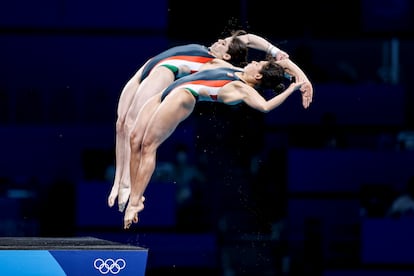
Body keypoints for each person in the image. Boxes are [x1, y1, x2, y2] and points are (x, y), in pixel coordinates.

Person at [108, 30, 290, 212]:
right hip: (149, 65)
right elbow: (248, 38)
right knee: (121, 124)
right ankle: (118, 181)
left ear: (226, 55)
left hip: (164, 71)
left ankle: (126, 184)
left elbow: (254, 53)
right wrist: (275, 51)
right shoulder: (213, 52)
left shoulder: (218, 64)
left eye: (224, 44)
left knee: (133, 125)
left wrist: (298, 79)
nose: (220, 40)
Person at [123, 58, 313, 229]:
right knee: (134, 139)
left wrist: (292, 88)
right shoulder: (236, 71)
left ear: (257, 75)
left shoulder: (244, 89)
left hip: (184, 96)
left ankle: (135, 202)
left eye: (258, 64)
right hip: (169, 92)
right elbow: (282, 60)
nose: (254, 60)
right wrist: (302, 79)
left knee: (148, 145)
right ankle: (133, 193)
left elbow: (265, 106)